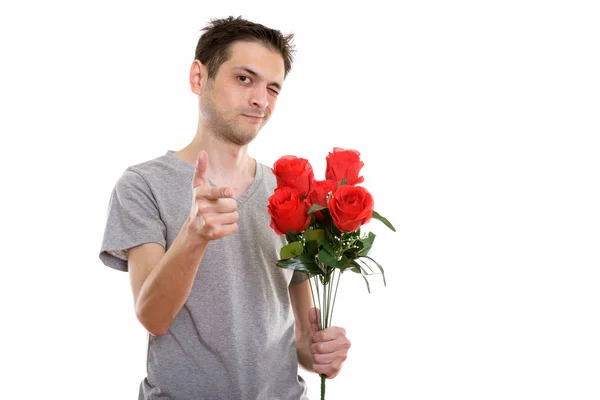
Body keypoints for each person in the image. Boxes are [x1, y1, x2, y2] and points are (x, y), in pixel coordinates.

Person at [99, 16, 351, 400]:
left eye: (273, 88)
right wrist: (194, 235)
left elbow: (301, 339)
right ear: (199, 78)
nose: (260, 100)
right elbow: (152, 317)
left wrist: (322, 353)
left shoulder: (289, 193)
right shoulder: (142, 185)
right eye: (244, 79)